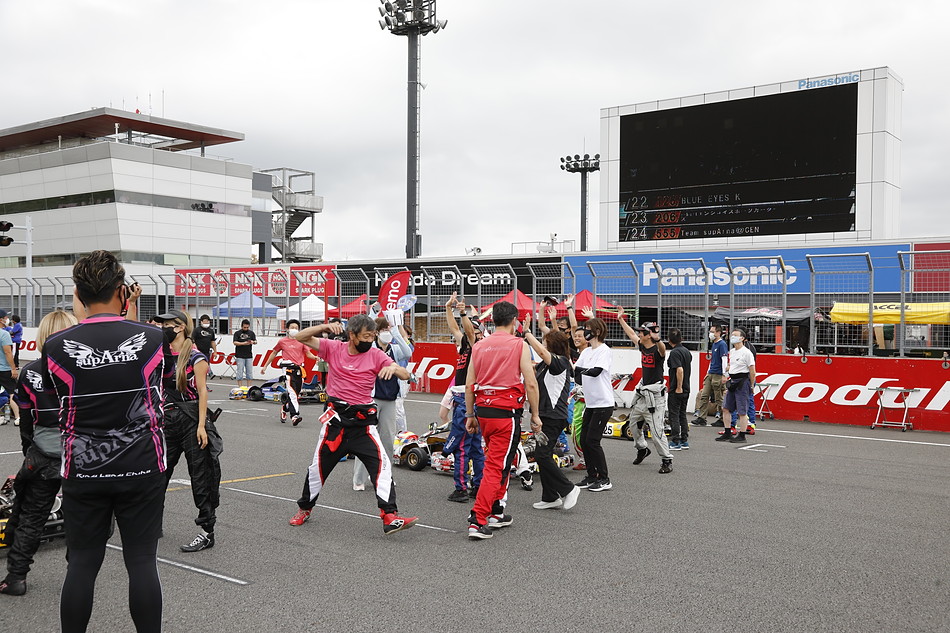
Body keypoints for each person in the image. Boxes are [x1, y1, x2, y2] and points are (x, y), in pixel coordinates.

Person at [43, 250, 168, 633]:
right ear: (122, 291)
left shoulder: (55, 345)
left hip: (83, 467)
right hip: (143, 464)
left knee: (81, 563)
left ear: (78, 294)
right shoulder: (154, 337)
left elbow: (54, 402)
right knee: (142, 561)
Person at [288, 315, 417, 535]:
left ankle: (390, 517)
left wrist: (394, 369)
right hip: (335, 425)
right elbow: (300, 337)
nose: (370, 340)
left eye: (372, 335)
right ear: (352, 335)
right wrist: (324, 326)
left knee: (383, 467)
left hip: (363, 427)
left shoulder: (376, 354)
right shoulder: (333, 348)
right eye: (365, 336)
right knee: (317, 469)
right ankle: (304, 509)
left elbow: (405, 373)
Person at [0, 310, 77, 597]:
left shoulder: (30, 371)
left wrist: (29, 452)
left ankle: (16, 577)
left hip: (44, 452)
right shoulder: (88, 369)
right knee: (83, 519)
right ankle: (78, 579)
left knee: (32, 517)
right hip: (85, 454)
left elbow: (26, 420)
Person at [464, 301, 541, 539]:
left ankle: (496, 511)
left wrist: (470, 415)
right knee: (495, 466)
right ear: (514, 321)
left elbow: (469, 384)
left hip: (483, 411)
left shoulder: (479, 345)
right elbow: (530, 383)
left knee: (503, 461)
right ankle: (478, 519)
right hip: (506, 412)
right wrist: (535, 414)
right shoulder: (519, 344)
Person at [156, 309, 223, 553]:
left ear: (181, 327)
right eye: (162, 323)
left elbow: (203, 392)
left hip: (191, 419)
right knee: (157, 476)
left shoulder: (196, 357)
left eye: (169, 324)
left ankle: (206, 532)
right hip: (166, 421)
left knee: (201, 477)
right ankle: (152, 524)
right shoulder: (160, 355)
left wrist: (202, 426)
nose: (163, 327)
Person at [522, 316, 581, 511]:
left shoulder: (561, 362)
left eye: (545, 342)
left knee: (543, 455)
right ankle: (550, 497)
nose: (543, 344)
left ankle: (568, 489)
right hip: (545, 415)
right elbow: (530, 364)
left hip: (554, 416)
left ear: (552, 345)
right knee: (542, 455)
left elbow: (540, 351)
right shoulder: (545, 365)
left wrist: (527, 332)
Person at [352, 317, 413, 491]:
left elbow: (408, 353)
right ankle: (359, 479)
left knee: (387, 440)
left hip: (390, 399)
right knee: (366, 438)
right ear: (377, 332)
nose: (387, 332)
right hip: (371, 398)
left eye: (389, 329)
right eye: (384, 329)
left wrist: (395, 331)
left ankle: (384, 477)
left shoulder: (395, 349)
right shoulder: (371, 348)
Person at [442, 292, 485, 502]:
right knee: (475, 446)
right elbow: (455, 329)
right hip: (467, 398)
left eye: (476, 331)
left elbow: (467, 331)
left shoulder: (478, 346)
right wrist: (448, 308)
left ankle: (461, 488)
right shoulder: (466, 346)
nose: (471, 333)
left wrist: (462, 313)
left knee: (462, 447)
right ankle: (478, 485)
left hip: (466, 399)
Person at [618, 313, 673, 474]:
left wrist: (658, 339)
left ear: (649, 335)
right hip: (643, 395)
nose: (639, 335)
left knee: (656, 431)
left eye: (642, 332)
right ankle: (642, 449)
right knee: (633, 425)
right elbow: (631, 334)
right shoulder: (642, 346)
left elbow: (663, 350)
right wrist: (621, 319)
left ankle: (667, 460)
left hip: (655, 397)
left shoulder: (657, 349)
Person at [572, 317, 615, 491]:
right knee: (584, 440)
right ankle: (591, 476)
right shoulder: (586, 352)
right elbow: (577, 373)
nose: (585, 332)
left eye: (588, 329)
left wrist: (579, 370)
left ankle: (604, 478)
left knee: (593, 441)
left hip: (603, 403)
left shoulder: (604, 350)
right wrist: (578, 371)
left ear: (597, 332)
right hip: (590, 403)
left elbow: (596, 372)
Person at [260, 319, 317, 426]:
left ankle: (284, 408)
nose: (294, 329)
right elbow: (274, 353)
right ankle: (294, 416)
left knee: (296, 394)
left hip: (299, 370)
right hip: (287, 369)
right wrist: (265, 366)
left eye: (296, 328)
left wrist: (315, 357)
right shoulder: (282, 341)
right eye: (292, 327)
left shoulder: (302, 341)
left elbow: (308, 353)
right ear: (287, 329)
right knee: (292, 393)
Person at [717, 329, 756, 444]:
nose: (732, 337)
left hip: (743, 382)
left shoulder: (747, 353)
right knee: (726, 408)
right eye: (732, 335)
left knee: (742, 411)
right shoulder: (732, 351)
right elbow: (730, 365)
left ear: (742, 338)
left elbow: (752, 370)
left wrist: (751, 385)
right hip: (732, 381)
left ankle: (742, 435)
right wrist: (727, 374)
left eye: (735, 335)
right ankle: (727, 432)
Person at [693, 324, 728, 426]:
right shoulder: (714, 344)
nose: (710, 334)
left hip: (718, 374)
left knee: (719, 398)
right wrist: (708, 372)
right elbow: (712, 360)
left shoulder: (722, 344)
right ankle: (702, 417)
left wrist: (724, 374)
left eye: (712, 331)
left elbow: (724, 359)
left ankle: (722, 419)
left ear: (718, 332)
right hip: (711, 373)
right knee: (704, 395)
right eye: (710, 331)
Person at [666, 328, 692, 450]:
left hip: (678, 389)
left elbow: (679, 370)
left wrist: (678, 387)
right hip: (686, 387)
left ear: (669, 340)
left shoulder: (675, 353)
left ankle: (675, 441)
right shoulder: (686, 351)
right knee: (682, 414)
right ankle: (684, 440)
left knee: (674, 415)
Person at [0, 310, 20, 426]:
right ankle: (17, 417)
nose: (7, 319)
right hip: (4, 368)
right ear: (1, 320)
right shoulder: (4, 334)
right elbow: (8, 352)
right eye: (5, 317)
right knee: (12, 392)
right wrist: (13, 368)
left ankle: (2, 416)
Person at [193, 314, 218, 381]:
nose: (206, 323)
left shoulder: (211, 331)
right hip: (198, 352)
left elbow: (212, 342)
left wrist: (215, 351)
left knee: (205, 368)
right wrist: (196, 350)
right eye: (204, 321)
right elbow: (193, 341)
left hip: (207, 352)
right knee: (198, 368)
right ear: (201, 322)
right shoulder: (196, 330)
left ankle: (204, 383)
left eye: (207, 321)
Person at [232, 319, 256, 388]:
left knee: (249, 372)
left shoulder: (251, 333)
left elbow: (255, 341)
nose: (246, 329)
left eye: (247, 327)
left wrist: (253, 342)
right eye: (244, 327)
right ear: (242, 326)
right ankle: (240, 386)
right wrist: (243, 343)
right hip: (240, 355)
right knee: (240, 371)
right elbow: (235, 342)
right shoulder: (237, 333)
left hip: (249, 355)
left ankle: (249, 386)